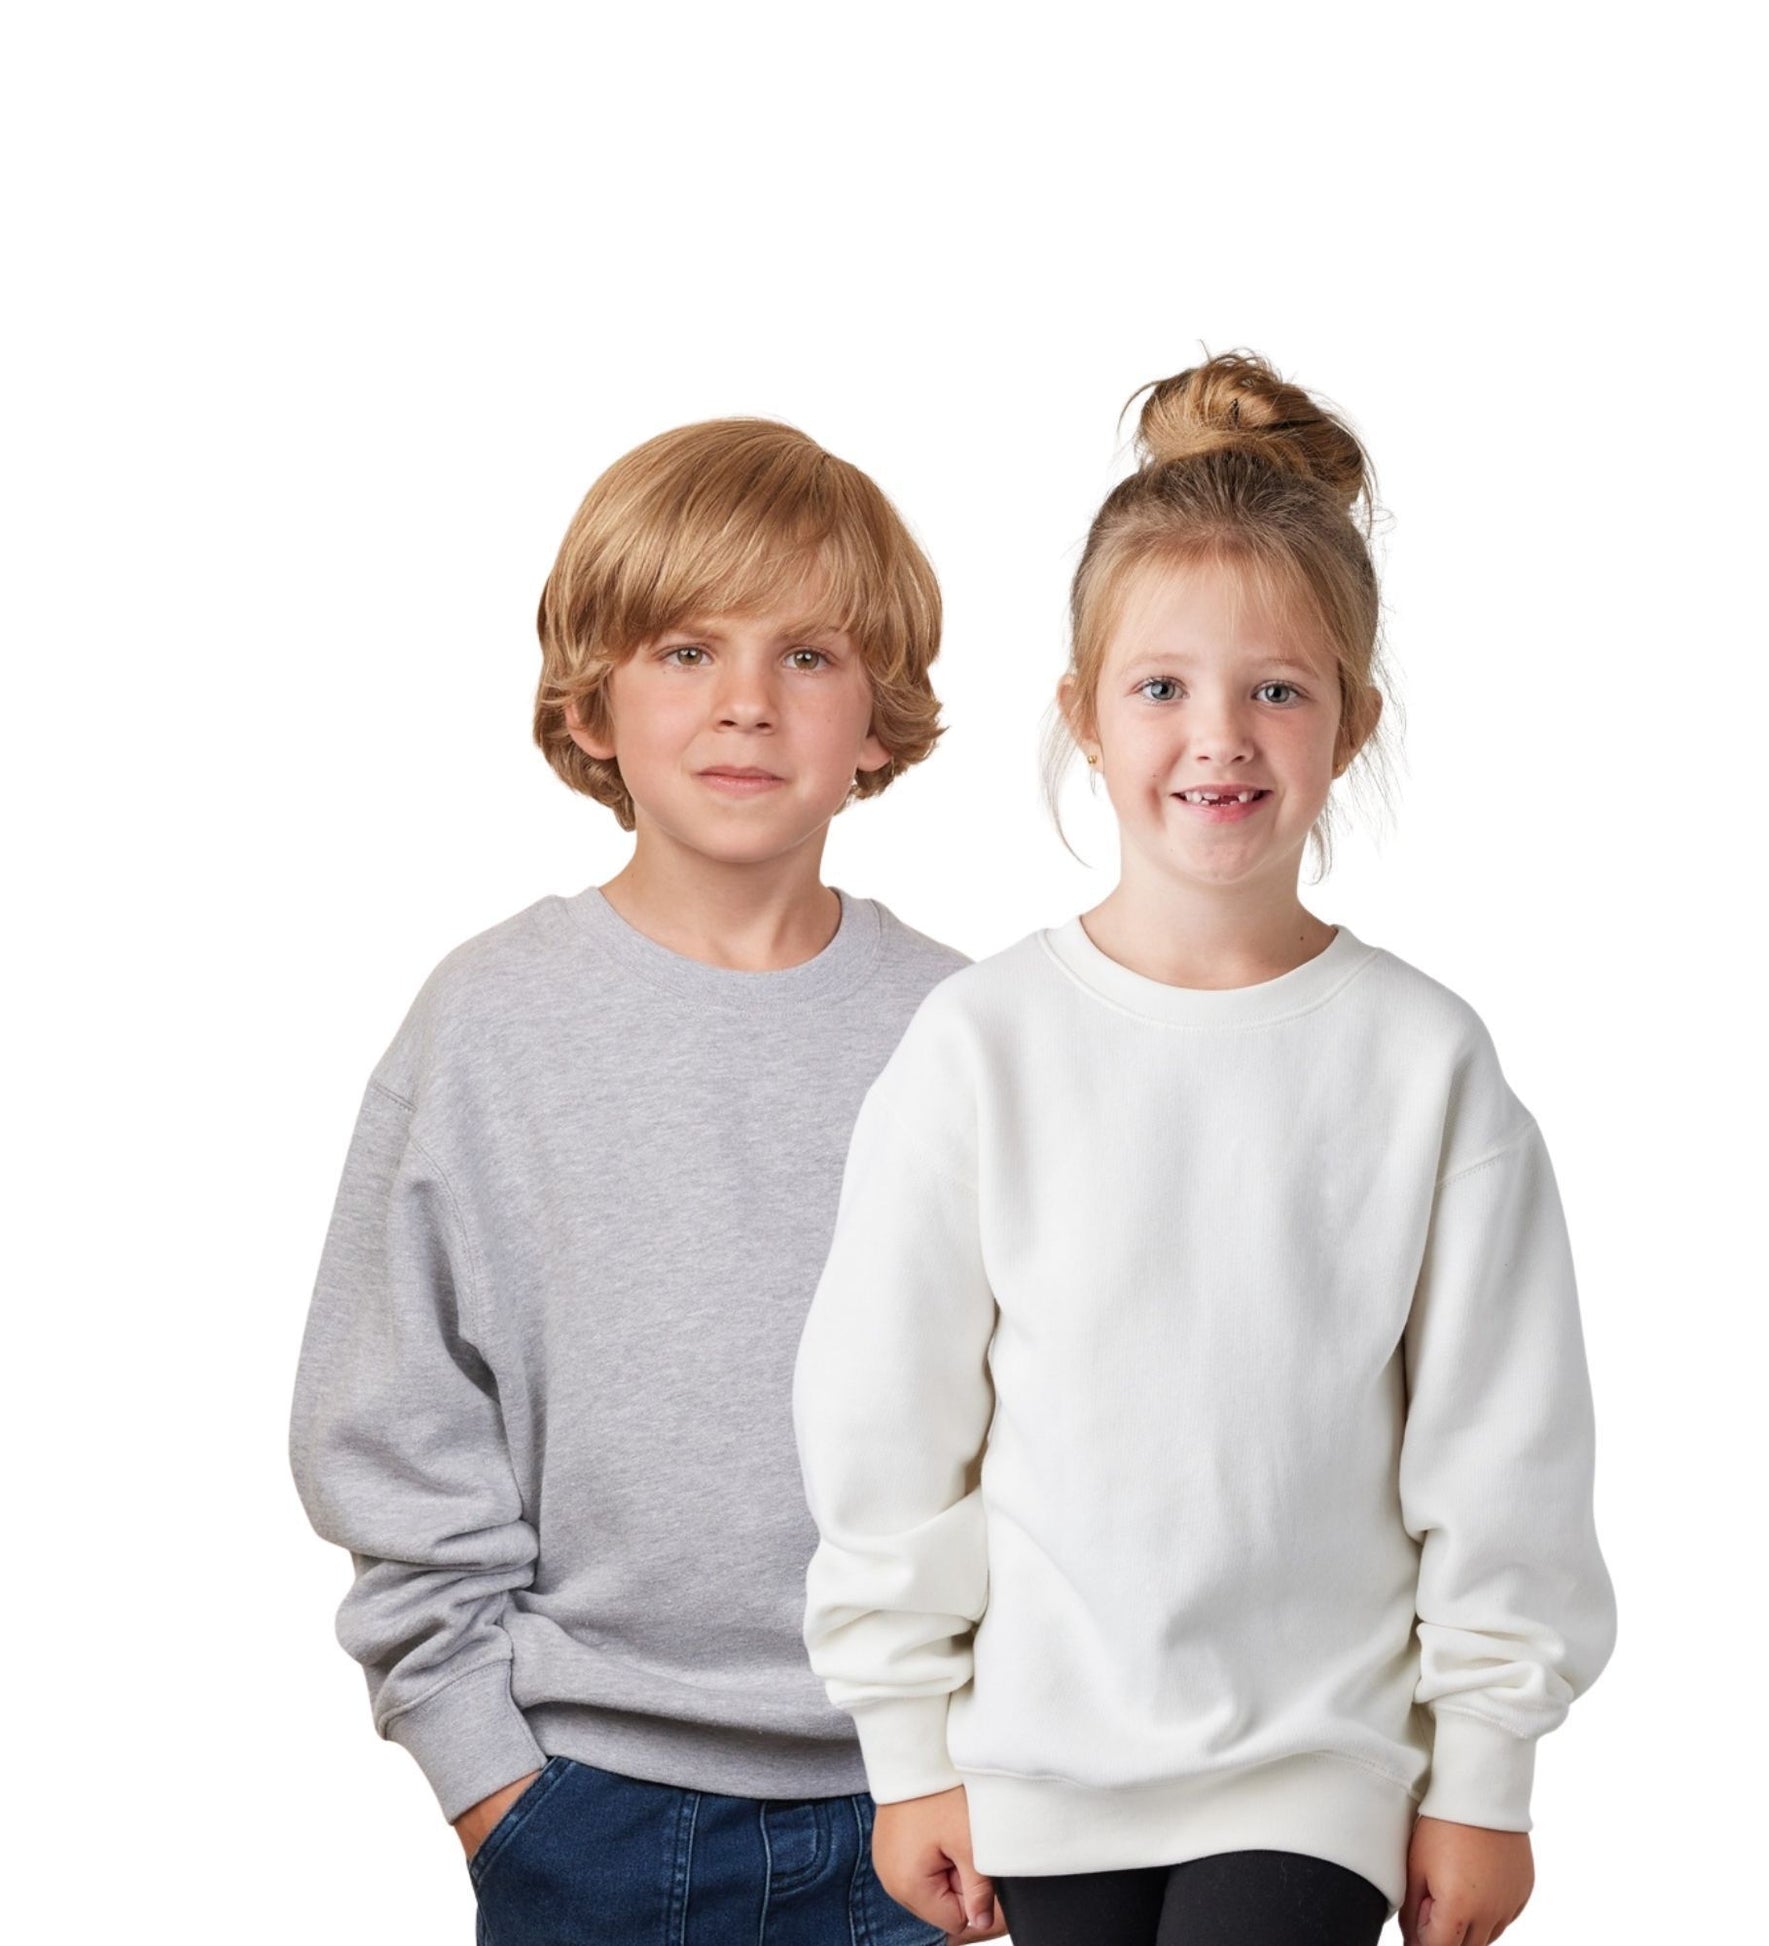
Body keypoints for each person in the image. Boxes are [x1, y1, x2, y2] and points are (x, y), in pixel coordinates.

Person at [792, 352, 1619, 1946]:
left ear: (1350, 718)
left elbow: (1503, 1449)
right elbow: (888, 1426)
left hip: (1313, 1764)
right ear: (1084, 719)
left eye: (1277, 689)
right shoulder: (982, 1047)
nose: (1218, 738)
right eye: (1161, 686)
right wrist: (906, 1749)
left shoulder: (1420, 1062)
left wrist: (1486, 1775)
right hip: (1036, 1760)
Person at [291, 417, 969, 1946]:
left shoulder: (972, 1034)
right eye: (683, 649)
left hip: (915, 1808)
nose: (745, 703)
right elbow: (388, 1413)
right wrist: (490, 1779)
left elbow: (1057, 1416)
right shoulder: (490, 1019)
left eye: (807, 654)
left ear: (879, 715)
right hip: (588, 1805)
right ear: (592, 704)